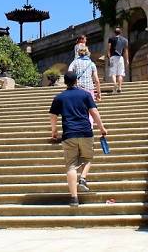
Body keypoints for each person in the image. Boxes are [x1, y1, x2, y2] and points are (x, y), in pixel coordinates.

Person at [49, 71, 108, 207]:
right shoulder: (85, 95)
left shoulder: (59, 97)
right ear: (76, 81)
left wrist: (54, 131)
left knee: (71, 166)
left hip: (69, 133)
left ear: (65, 82)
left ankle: (74, 198)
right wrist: (102, 128)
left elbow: (53, 116)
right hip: (86, 132)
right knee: (88, 158)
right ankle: (83, 178)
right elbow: (94, 112)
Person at [106, 27, 129, 93]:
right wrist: (127, 60)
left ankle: (115, 84)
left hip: (113, 57)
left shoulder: (111, 39)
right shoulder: (125, 40)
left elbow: (109, 48)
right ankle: (120, 87)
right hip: (120, 58)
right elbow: (126, 51)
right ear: (120, 32)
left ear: (114, 33)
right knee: (120, 74)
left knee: (113, 73)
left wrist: (109, 56)